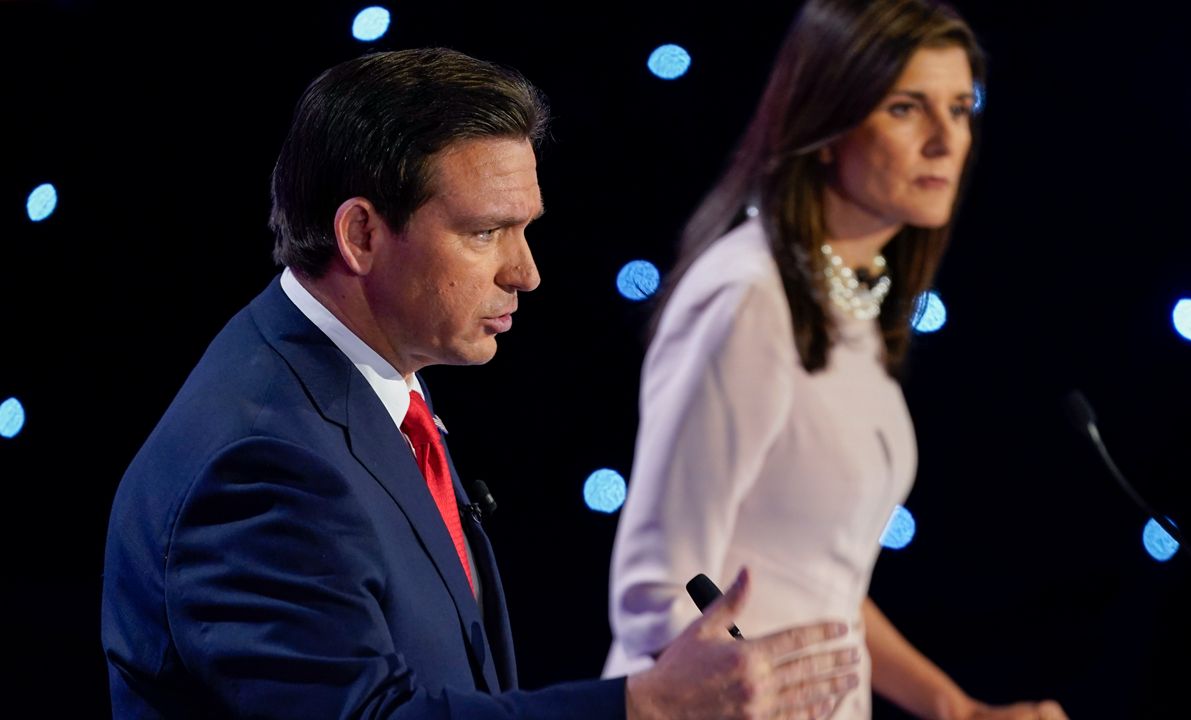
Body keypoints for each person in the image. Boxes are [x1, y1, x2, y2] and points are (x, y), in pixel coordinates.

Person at [100, 47, 863, 719]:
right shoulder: (261, 461)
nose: (525, 272)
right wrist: (644, 708)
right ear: (361, 234)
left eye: (525, 229)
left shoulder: (366, 377)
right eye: (484, 232)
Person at [604, 2, 1070, 719]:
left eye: (961, 107)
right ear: (827, 128)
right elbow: (655, 589)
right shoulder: (749, 299)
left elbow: (820, 576)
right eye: (908, 108)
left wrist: (957, 709)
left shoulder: (847, 303)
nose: (948, 141)